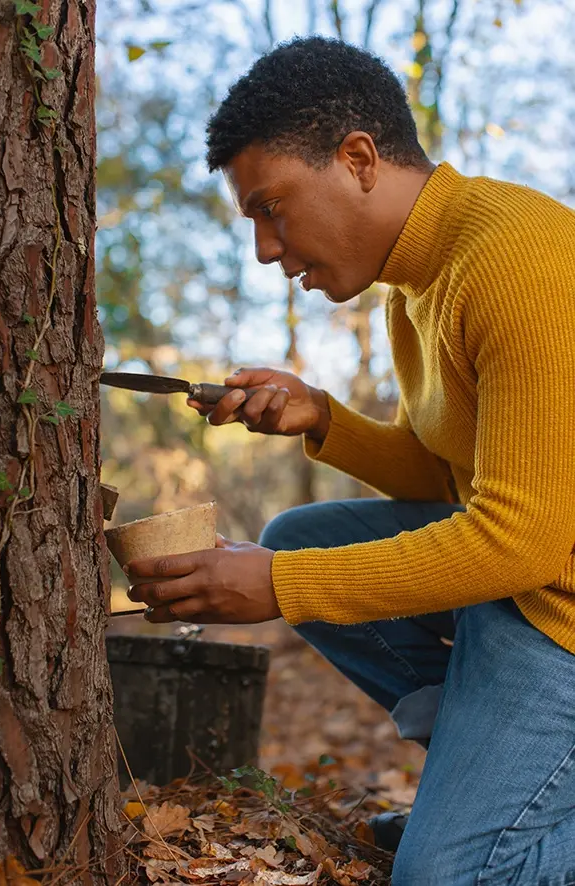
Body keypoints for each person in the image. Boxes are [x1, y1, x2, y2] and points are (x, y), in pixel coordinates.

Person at [126, 36, 575, 885]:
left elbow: (522, 541)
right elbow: (448, 473)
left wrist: (279, 589)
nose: (265, 248)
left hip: (558, 608)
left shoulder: (518, 263)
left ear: (358, 158)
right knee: (299, 534)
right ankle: (487, 777)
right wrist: (322, 418)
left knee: (444, 877)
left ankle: (509, 810)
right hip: (528, 580)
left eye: (272, 206)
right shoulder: (417, 284)